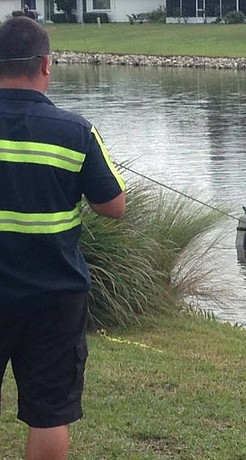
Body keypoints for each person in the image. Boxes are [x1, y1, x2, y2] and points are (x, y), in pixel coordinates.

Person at [0, 17, 126, 460]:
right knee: (49, 414)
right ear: (46, 65)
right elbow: (114, 206)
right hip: (54, 296)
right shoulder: (76, 132)